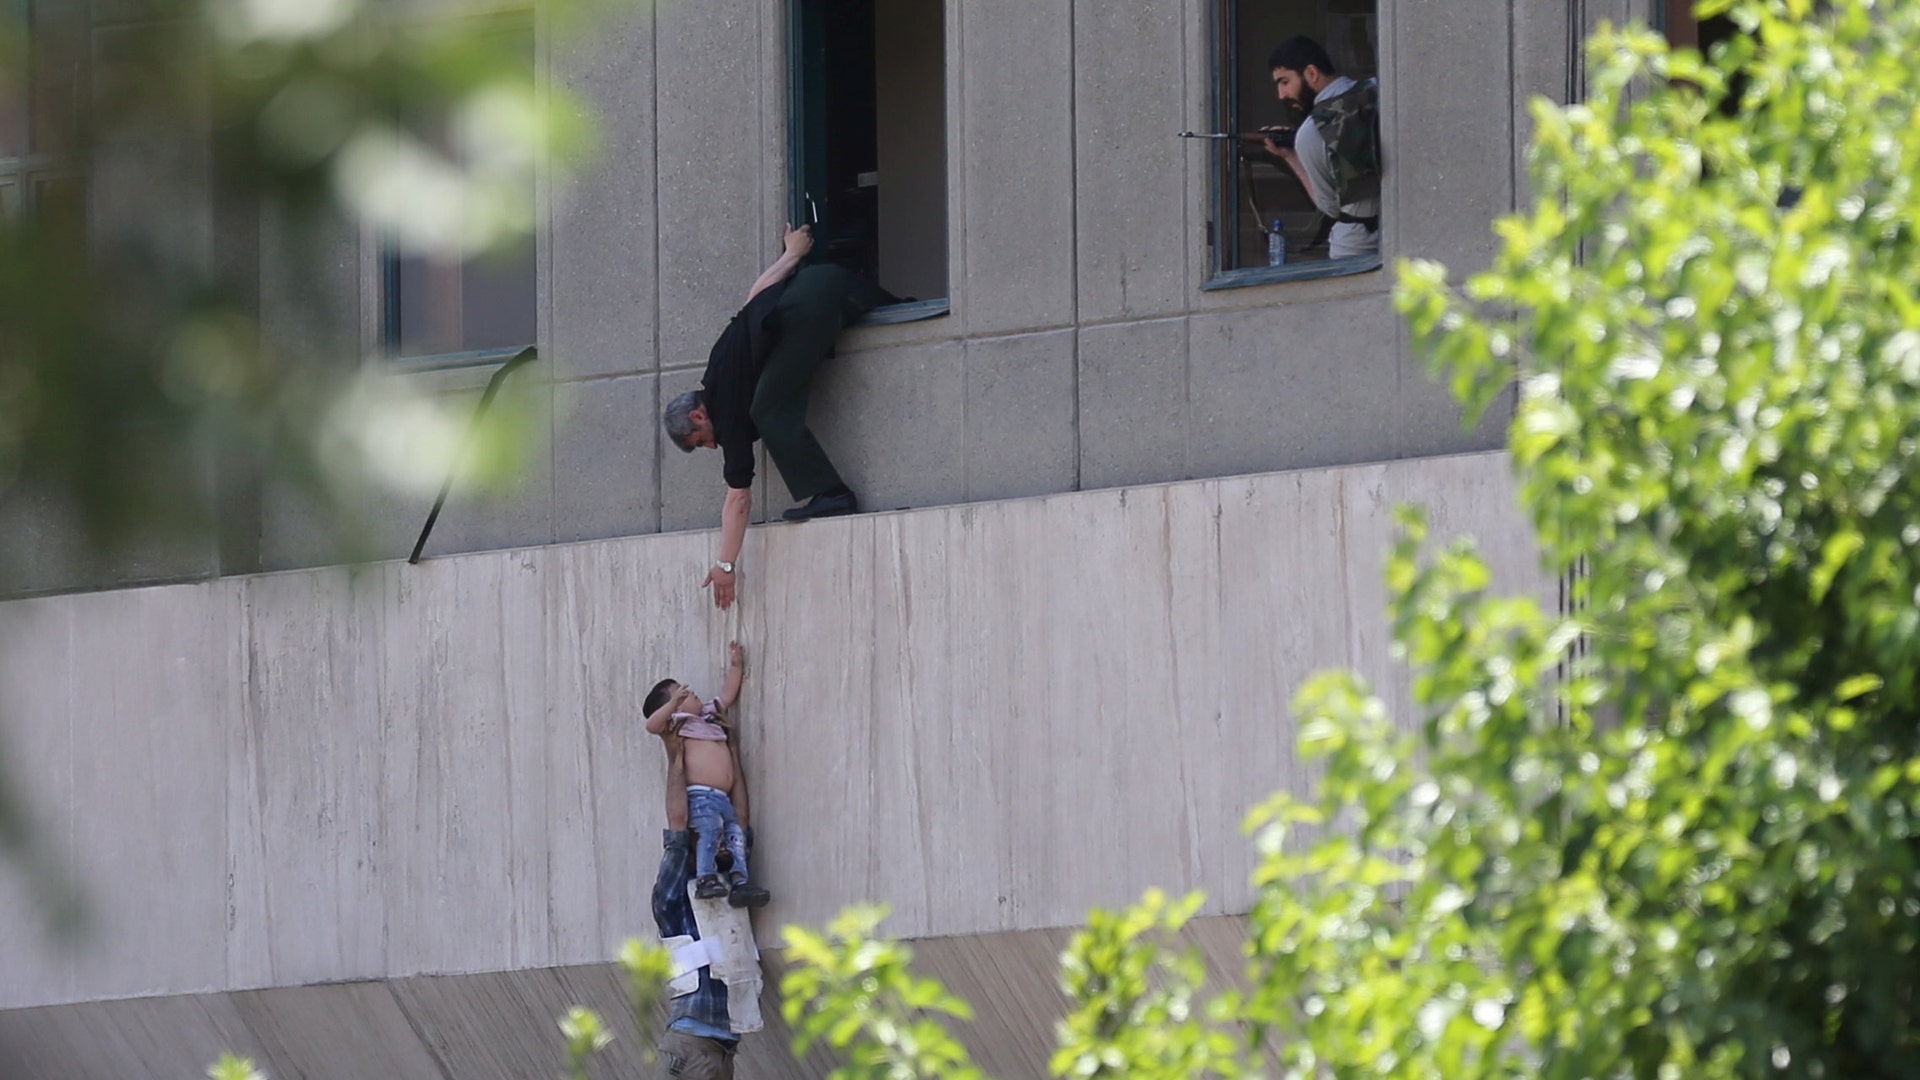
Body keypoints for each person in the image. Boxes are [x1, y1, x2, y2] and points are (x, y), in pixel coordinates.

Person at [660, 225, 895, 610]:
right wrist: (791, 255)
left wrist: (725, 564)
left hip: (818, 298)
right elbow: (755, 298)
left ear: (699, 414)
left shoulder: (730, 413)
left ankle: (834, 495)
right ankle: (830, 494)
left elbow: (738, 498)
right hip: (823, 284)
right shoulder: (720, 366)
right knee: (889, 302)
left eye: (702, 439)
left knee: (767, 410)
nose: (713, 445)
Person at [651, 687, 760, 1078]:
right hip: (691, 1045)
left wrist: (731, 750)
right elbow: (679, 823)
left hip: (720, 1047)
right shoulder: (678, 899)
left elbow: (741, 818)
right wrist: (677, 756)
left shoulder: (731, 889)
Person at [644, 641, 771, 908]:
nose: (692, 694)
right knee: (709, 832)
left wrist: (736, 665)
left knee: (735, 834)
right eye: (682, 695)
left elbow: (726, 695)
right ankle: (705, 878)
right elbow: (651, 725)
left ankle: (739, 881)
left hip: (723, 797)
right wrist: (673, 705)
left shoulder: (708, 716)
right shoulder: (680, 725)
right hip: (700, 796)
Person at [1262, 36, 1381, 259]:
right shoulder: (1380, 89)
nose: (1281, 95)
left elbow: (1329, 206)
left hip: (1357, 247)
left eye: (1284, 82)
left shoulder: (1310, 133)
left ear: (1312, 73)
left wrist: (1291, 157)